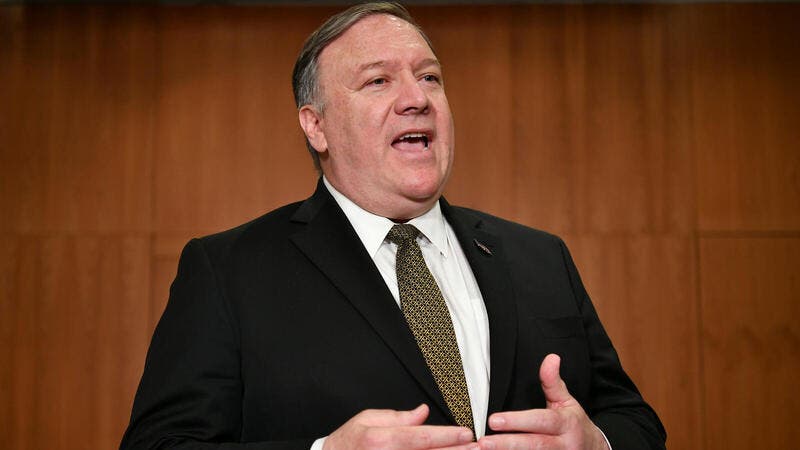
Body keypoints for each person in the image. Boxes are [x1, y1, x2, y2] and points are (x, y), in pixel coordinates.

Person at [120, 2, 666, 450]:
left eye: (429, 77)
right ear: (316, 126)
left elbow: (636, 422)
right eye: (378, 80)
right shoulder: (229, 271)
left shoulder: (540, 257)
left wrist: (597, 443)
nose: (417, 99)